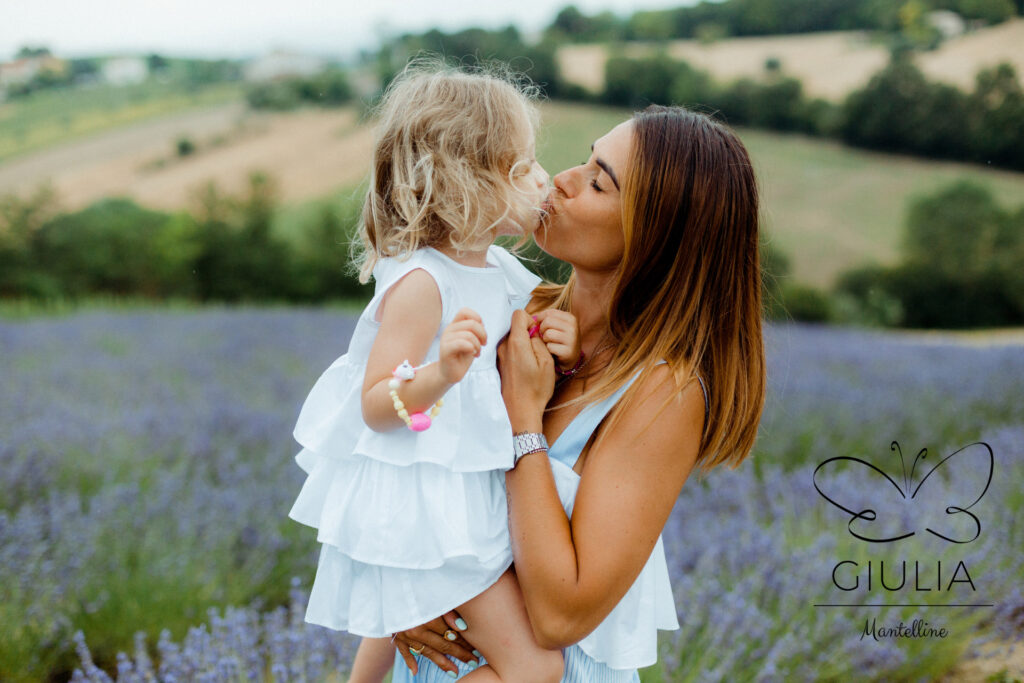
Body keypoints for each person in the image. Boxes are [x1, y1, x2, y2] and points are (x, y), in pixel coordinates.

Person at [390, 105, 766, 680]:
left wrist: (524, 422)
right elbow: (401, 461)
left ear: (654, 235)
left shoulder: (662, 391)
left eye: (597, 181)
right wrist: (398, 587)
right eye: (586, 159)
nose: (561, 179)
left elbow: (562, 616)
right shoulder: (513, 312)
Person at [287, 62, 568, 683]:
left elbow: (544, 315)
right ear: (462, 179)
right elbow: (376, 407)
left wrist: (560, 331)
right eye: (520, 168)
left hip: (457, 489)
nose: (542, 179)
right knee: (535, 670)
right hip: (426, 503)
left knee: (385, 641)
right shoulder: (423, 284)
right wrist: (441, 373)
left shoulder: (496, 268)